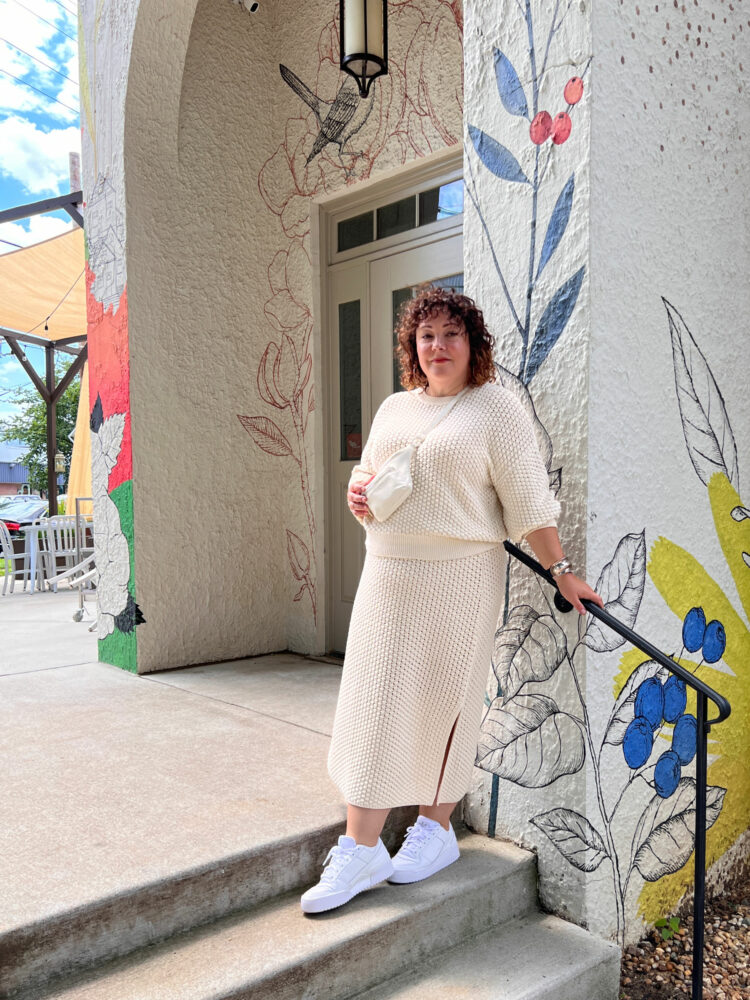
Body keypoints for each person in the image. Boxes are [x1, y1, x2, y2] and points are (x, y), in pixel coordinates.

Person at [300, 286, 603, 915]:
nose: (438, 346)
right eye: (426, 335)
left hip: (460, 578)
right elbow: (371, 479)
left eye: (450, 334)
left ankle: (432, 831)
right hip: (387, 573)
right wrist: (359, 496)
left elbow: (527, 502)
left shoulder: (495, 409)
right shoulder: (392, 410)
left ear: (472, 343)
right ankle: (362, 847)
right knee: (374, 700)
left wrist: (562, 571)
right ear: (412, 345)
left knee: (445, 699)